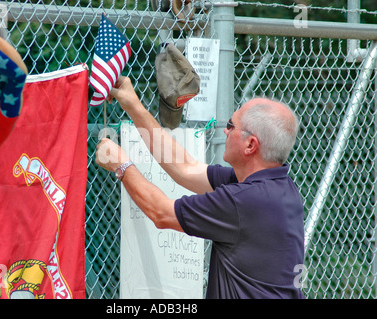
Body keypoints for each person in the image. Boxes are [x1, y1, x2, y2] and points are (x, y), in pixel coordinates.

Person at [95, 76, 305, 299]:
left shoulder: (244, 201)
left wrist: (122, 165)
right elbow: (185, 168)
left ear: (250, 145)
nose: (225, 131)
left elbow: (161, 213)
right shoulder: (278, 187)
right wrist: (133, 105)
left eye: (231, 126)